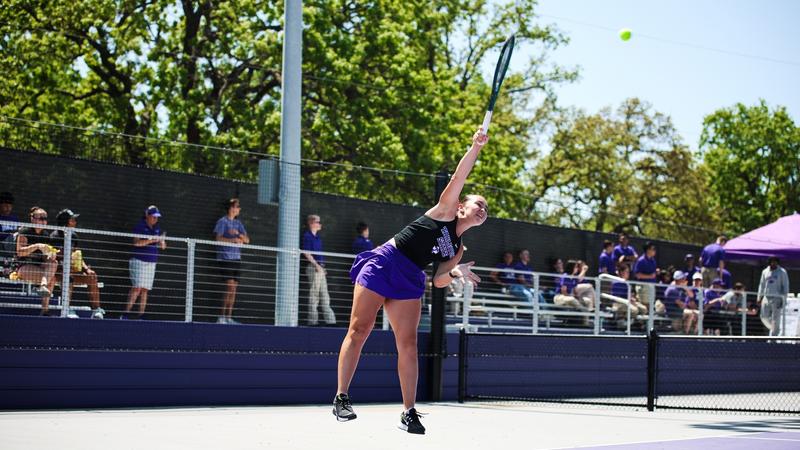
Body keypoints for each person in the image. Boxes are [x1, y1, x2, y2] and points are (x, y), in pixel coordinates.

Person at [334, 128, 489, 434]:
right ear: (460, 207)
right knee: (360, 329)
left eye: (486, 209)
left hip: (410, 277)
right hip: (386, 261)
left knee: (408, 344)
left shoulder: (457, 250)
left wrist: (456, 272)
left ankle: (408, 412)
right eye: (478, 204)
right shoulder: (445, 210)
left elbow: (439, 281)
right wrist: (476, 146)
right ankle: (341, 397)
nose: (482, 210)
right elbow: (460, 175)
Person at [50, 209, 104, 319]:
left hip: (73, 272)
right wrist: (65, 255)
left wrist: (86, 269)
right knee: (68, 277)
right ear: (65, 222)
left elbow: (78, 256)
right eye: (72, 219)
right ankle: (66, 308)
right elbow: (53, 257)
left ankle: (97, 310)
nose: (75, 221)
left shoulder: (74, 236)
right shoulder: (54, 236)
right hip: (58, 273)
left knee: (92, 275)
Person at [124, 205, 166, 319]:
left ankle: (141, 315)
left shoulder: (157, 228)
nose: (155, 219)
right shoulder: (139, 226)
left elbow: (163, 246)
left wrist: (161, 241)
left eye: (157, 217)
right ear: (147, 216)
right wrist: (152, 240)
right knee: (137, 287)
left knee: (145, 289)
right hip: (138, 260)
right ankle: (125, 314)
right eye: (153, 217)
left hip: (151, 262)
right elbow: (136, 243)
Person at [14, 207, 58, 315]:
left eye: (45, 218)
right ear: (32, 219)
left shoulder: (46, 235)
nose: (44, 221)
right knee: (52, 279)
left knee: (54, 263)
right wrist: (37, 246)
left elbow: (44, 259)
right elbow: (20, 252)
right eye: (41, 218)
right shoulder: (24, 231)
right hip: (23, 267)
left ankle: (42, 286)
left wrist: (50, 255)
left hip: (40, 267)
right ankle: (45, 310)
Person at [213, 198, 250, 325]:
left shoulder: (238, 224)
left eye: (239, 207)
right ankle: (221, 317)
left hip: (236, 259)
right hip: (225, 258)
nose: (238, 209)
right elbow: (218, 238)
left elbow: (247, 240)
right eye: (236, 206)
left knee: (234, 289)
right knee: (229, 287)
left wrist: (238, 235)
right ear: (231, 208)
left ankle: (228, 317)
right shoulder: (222, 222)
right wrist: (232, 240)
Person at [302, 214, 336, 326]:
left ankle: (331, 322)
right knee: (314, 295)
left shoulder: (318, 238)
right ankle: (313, 322)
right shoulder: (307, 236)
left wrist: (322, 267)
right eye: (318, 222)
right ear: (311, 223)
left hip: (320, 268)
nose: (320, 224)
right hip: (313, 268)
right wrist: (316, 265)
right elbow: (306, 253)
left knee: (325, 295)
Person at [757, 256, 790, 336]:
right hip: (766, 297)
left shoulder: (782, 272)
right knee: (764, 317)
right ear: (769, 262)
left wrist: (784, 299)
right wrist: (759, 297)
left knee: (776, 319)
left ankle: (773, 338)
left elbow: (785, 286)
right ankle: (774, 329)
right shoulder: (765, 271)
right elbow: (761, 285)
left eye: (775, 261)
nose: (773, 263)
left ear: (777, 262)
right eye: (772, 261)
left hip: (777, 298)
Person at [633, 242, 664, 315]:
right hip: (644, 287)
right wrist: (650, 276)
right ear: (648, 250)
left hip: (651, 286)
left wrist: (656, 272)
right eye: (653, 249)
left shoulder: (653, 260)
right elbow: (637, 275)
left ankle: (648, 325)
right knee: (644, 307)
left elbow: (652, 273)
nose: (654, 251)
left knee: (650, 306)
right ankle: (641, 325)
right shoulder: (641, 260)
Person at [0, 192, 20, 268]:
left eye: (10, 205)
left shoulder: (15, 218)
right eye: (5, 205)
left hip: (13, 249)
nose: (8, 207)